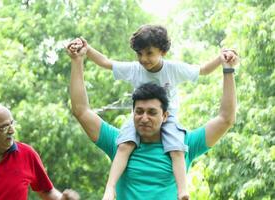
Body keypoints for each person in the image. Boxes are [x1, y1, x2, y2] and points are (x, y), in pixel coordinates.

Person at [67, 24, 237, 200]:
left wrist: (227, 68)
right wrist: (77, 60)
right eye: (139, 111)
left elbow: (226, 118)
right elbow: (81, 110)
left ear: (164, 115)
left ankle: (182, 190)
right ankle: (109, 189)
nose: (144, 118)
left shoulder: (184, 144)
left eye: (152, 112)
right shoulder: (119, 142)